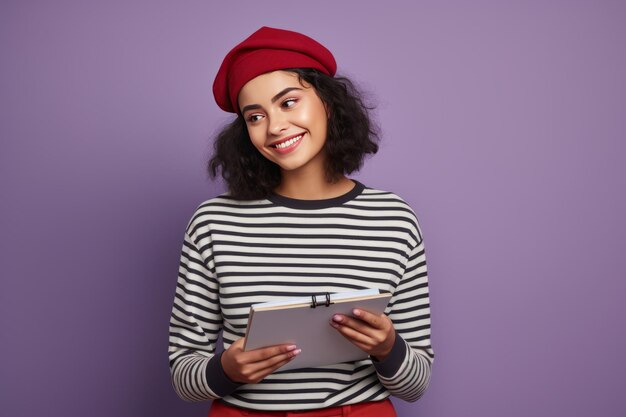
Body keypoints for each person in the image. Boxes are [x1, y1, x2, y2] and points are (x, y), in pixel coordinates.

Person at [168, 26, 434, 417]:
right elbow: (182, 375)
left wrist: (387, 346)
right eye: (255, 116)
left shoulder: (394, 219)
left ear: (327, 102)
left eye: (288, 102)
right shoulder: (214, 222)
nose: (274, 126)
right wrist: (225, 370)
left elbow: (417, 383)